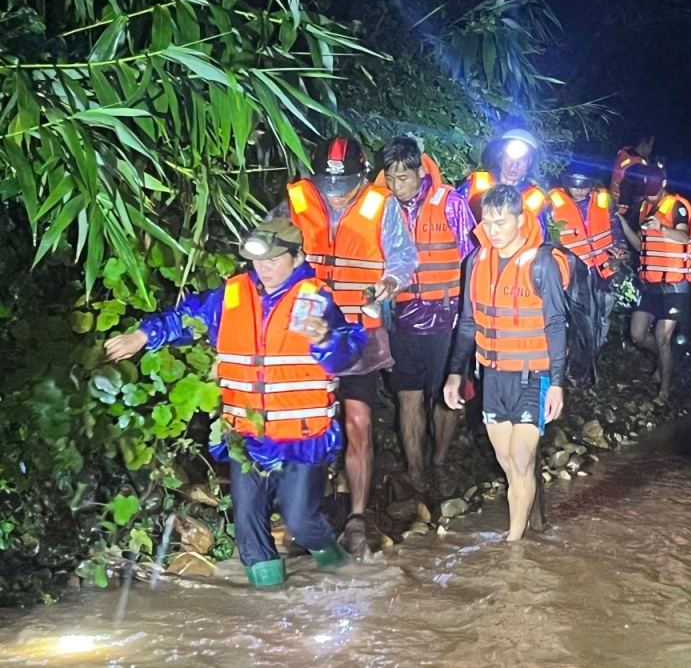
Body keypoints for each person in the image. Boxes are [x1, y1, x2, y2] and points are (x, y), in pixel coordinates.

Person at [103, 219, 367, 587]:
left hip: (301, 437)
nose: (265, 267)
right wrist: (142, 335)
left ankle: (340, 566)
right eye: (259, 260)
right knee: (248, 525)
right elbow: (185, 317)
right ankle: (269, 608)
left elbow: (351, 351)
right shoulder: (231, 296)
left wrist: (324, 339)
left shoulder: (315, 299)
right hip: (247, 434)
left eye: (275, 259)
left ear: (297, 257)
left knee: (300, 519)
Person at [282, 136, 418, 558]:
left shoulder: (383, 205)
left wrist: (389, 282)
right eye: (328, 185)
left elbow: (404, 259)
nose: (336, 195)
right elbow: (269, 252)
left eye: (344, 187)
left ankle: (357, 517)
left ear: (361, 177)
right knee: (308, 424)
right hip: (309, 334)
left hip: (360, 334)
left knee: (358, 422)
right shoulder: (297, 201)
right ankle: (306, 513)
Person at [444, 185, 569, 541]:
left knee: (520, 456)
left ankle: (514, 544)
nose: (493, 230)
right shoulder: (476, 261)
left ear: (519, 218)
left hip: (533, 375)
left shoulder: (541, 263)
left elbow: (556, 324)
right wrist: (456, 373)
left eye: (501, 222)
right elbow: (467, 323)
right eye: (488, 222)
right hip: (493, 376)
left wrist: (557, 382)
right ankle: (524, 524)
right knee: (507, 461)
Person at [379, 136, 477, 498]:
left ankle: (439, 460)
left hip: (447, 317)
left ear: (420, 171)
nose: (396, 186)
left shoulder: (450, 203)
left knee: (445, 397)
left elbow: (472, 256)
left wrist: (471, 314)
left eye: (402, 177)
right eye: (389, 178)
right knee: (408, 395)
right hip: (402, 316)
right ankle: (416, 470)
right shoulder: (383, 207)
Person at [617, 161, 691, 404]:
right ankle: (666, 360)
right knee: (638, 334)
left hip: (674, 284)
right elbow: (642, 246)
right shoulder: (643, 208)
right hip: (650, 284)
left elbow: (685, 237)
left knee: (663, 336)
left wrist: (661, 227)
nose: (649, 195)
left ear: (662, 184)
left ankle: (665, 390)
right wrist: (622, 223)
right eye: (646, 190)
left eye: (653, 189)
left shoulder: (677, 206)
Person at [547, 160, 623, 343]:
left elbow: (615, 226)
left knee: (602, 311)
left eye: (584, 186)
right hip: (574, 274)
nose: (579, 190)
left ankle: (594, 351)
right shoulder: (551, 203)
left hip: (603, 270)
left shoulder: (602, 199)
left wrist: (621, 247)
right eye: (574, 186)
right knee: (577, 319)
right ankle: (574, 359)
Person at [460, 128, 548, 223]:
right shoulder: (476, 184)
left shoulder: (535, 199)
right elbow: (453, 214)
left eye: (522, 160)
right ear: (500, 155)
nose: (514, 165)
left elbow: (539, 235)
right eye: (510, 158)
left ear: (529, 162)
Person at [610, 131, 654, 215]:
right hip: (625, 212)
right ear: (644, 144)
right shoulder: (636, 167)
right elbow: (638, 195)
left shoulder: (624, 153)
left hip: (614, 205)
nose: (650, 149)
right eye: (650, 146)